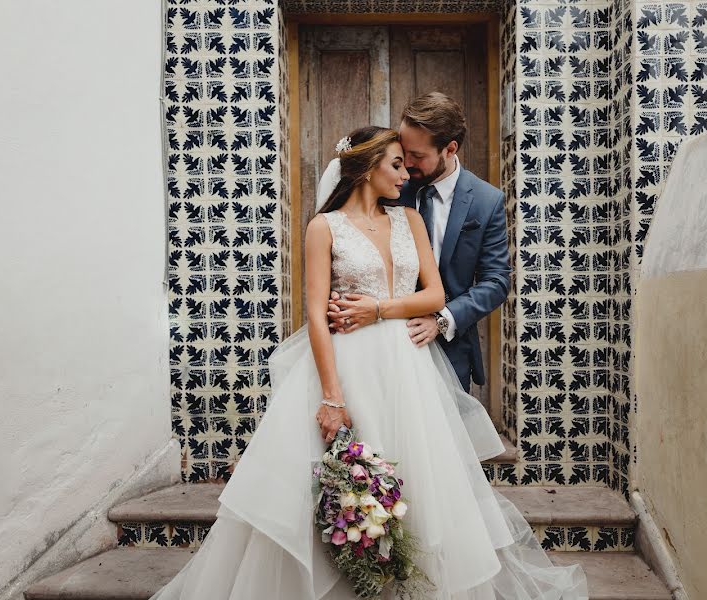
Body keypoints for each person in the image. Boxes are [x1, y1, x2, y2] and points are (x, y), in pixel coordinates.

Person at [148, 126, 588, 599]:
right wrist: (332, 397)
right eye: (396, 164)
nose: (407, 173)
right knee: (337, 488)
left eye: (406, 163)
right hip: (348, 368)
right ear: (366, 167)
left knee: (421, 491)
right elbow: (317, 317)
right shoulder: (324, 227)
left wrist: (377, 309)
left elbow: (435, 294)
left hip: (409, 369)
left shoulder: (409, 221)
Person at [327, 93, 510, 394]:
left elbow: (496, 280)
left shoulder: (487, 201)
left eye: (417, 156)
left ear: (450, 149)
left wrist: (442, 319)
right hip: (374, 347)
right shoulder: (390, 185)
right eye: (403, 152)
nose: (407, 164)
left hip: (449, 349)